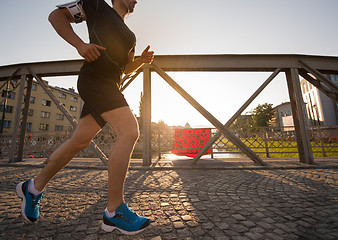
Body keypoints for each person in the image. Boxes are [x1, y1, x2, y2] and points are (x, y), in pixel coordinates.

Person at [16, 0, 154, 235]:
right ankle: (114, 211)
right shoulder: (96, 5)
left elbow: (125, 69)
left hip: (110, 85)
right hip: (94, 81)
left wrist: (140, 61)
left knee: (79, 142)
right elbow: (55, 17)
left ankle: (33, 188)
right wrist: (80, 45)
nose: (136, 0)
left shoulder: (129, 34)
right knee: (130, 131)